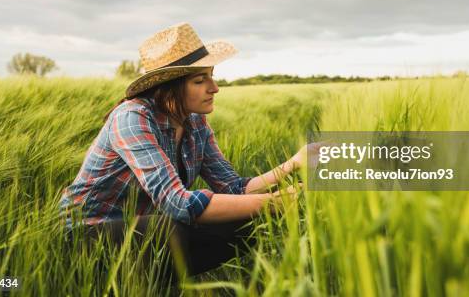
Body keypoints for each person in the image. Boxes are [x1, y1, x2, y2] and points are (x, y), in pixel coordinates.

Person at [59, 23, 310, 285]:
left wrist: (294, 163)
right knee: (167, 231)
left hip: (141, 227)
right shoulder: (132, 118)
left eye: (211, 76)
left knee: (247, 220)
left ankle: (157, 284)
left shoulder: (195, 122)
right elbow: (176, 203)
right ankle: (129, 285)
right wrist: (276, 201)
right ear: (169, 88)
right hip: (85, 232)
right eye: (200, 80)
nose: (214, 88)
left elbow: (234, 188)